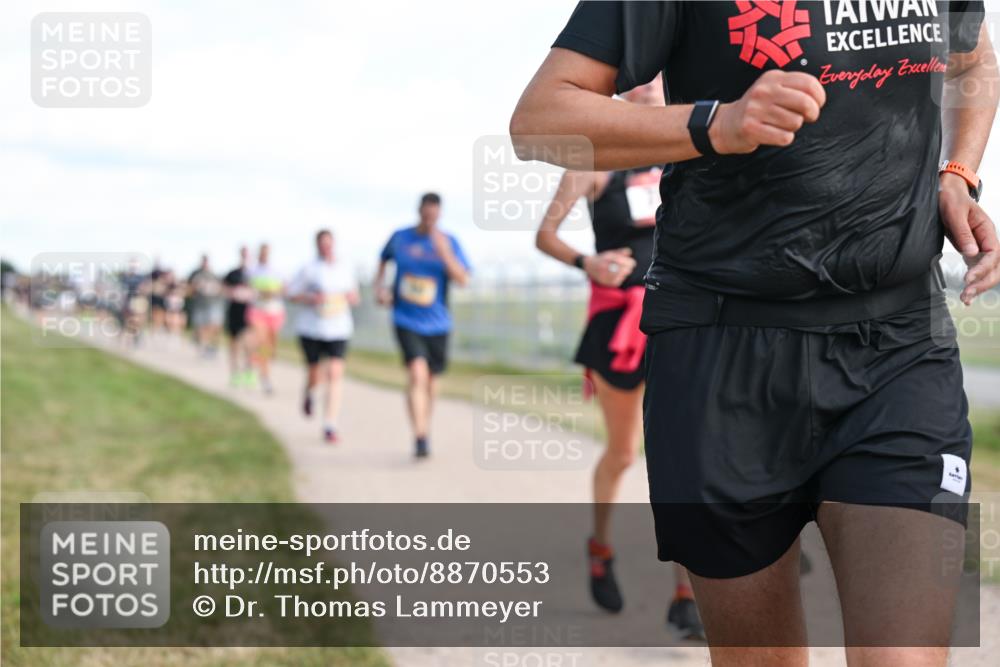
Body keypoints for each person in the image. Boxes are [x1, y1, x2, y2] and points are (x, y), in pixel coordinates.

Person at [511, 2, 998, 665]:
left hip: (896, 348)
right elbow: (539, 120)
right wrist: (718, 122)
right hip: (721, 351)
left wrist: (959, 174)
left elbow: (973, 61)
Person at [535, 74, 703, 639]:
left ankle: (687, 592)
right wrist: (589, 263)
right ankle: (600, 547)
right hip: (618, 323)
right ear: (620, 90)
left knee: (683, 453)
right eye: (637, 78)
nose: (648, 85)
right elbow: (546, 235)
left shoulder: (685, 147)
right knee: (625, 452)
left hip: (678, 317)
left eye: (659, 76)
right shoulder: (592, 160)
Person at [374, 193, 471, 458]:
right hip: (405, 318)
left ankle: (424, 426)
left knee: (431, 380)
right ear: (419, 212)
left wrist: (444, 253)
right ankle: (419, 436)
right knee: (417, 373)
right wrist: (380, 288)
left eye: (434, 216)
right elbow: (382, 259)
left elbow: (463, 279)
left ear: (439, 215)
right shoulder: (400, 238)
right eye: (426, 215)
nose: (429, 220)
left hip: (438, 322)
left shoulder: (449, 241)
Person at [287, 229, 360, 443]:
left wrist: (350, 298)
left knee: (335, 373)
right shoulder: (308, 269)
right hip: (312, 328)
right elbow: (291, 294)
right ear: (317, 245)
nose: (326, 247)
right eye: (322, 243)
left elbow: (355, 296)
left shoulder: (345, 267)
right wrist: (310, 298)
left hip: (338, 328)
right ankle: (310, 393)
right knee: (315, 373)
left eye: (329, 243)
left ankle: (330, 424)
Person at [247, 243, 286, 394]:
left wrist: (274, 292)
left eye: (266, 253)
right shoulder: (252, 271)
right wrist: (260, 293)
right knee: (262, 342)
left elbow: (284, 288)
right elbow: (248, 289)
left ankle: (260, 361)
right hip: (258, 311)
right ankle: (265, 376)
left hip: (274, 311)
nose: (264, 255)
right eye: (262, 253)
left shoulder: (277, 270)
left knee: (271, 345)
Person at [223, 246, 256, 387]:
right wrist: (232, 292)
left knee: (249, 344)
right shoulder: (233, 273)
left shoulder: (254, 273)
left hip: (249, 312)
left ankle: (249, 372)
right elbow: (223, 288)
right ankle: (235, 373)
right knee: (234, 343)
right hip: (234, 310)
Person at [187, 255, 225, 357]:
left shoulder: (214, 275)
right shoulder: (196, 274)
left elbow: (221, 288)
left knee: (212, 326)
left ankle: (208, 346)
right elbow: (189, 289)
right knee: (201, 327)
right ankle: (202, 347)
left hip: (212, 303)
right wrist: (196, 288)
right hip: (200, 304)